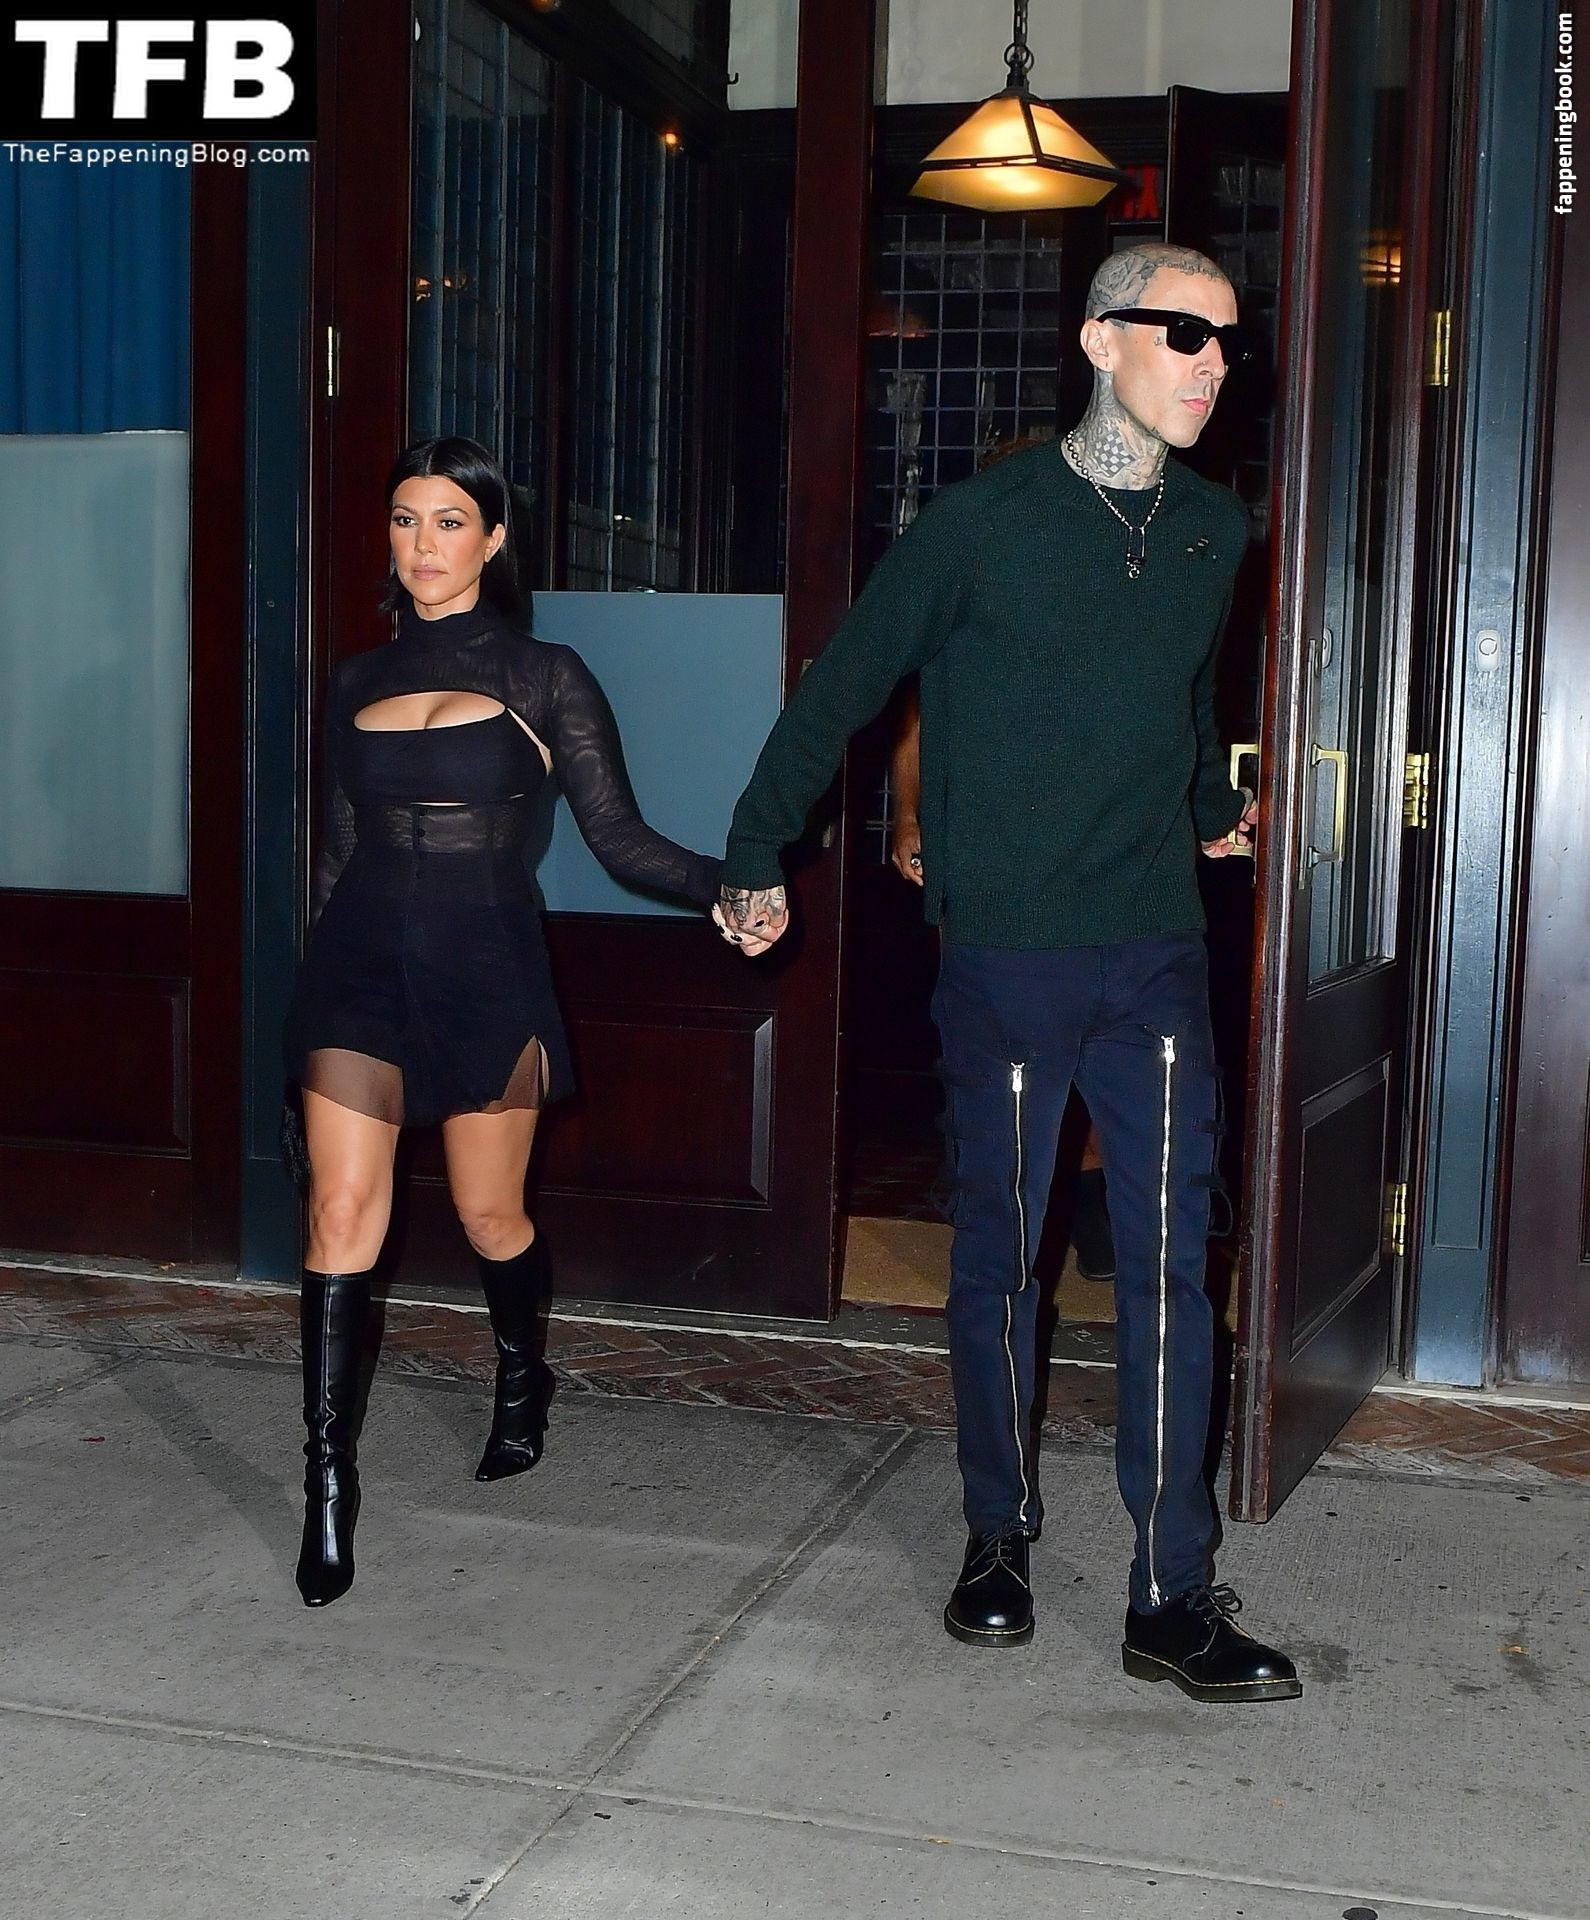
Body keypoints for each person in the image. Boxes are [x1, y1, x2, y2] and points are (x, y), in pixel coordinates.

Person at [714, 244, 1298, 1703]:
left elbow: (1181, 706)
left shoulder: (1214, 529)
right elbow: (846, 686)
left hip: (1156, 951)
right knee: (1002, 1258)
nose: (1213, 363)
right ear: (1101, 339)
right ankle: (998, 1534)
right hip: (1009, 957)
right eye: (1184, 334)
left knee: (1171, 1266)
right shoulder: (980, 524)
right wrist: (754, 849)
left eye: (1227, 341)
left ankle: (1170, 1591)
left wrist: (1204, 809)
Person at [284, 435, 719, 1609]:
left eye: (447, 522)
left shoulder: (546, 675)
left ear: (493, 539)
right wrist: (304, 1000)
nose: (422, 544)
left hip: (487, 967)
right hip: (358, 970)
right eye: (404, 519)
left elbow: (618, 837)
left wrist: (729, 887)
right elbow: (334, 856)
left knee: (490, 1214)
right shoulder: (355, 677)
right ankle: (328, 1486)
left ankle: (525, 1376)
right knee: (340, 1214)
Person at [891, 684, 1116, 1282]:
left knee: (1093, 1032)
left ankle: (1091, 1194)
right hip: (979, 866)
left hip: (1087, 859)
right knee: (986, 1037)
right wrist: (908, 817)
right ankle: (985, 1203)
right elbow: (916, 724)